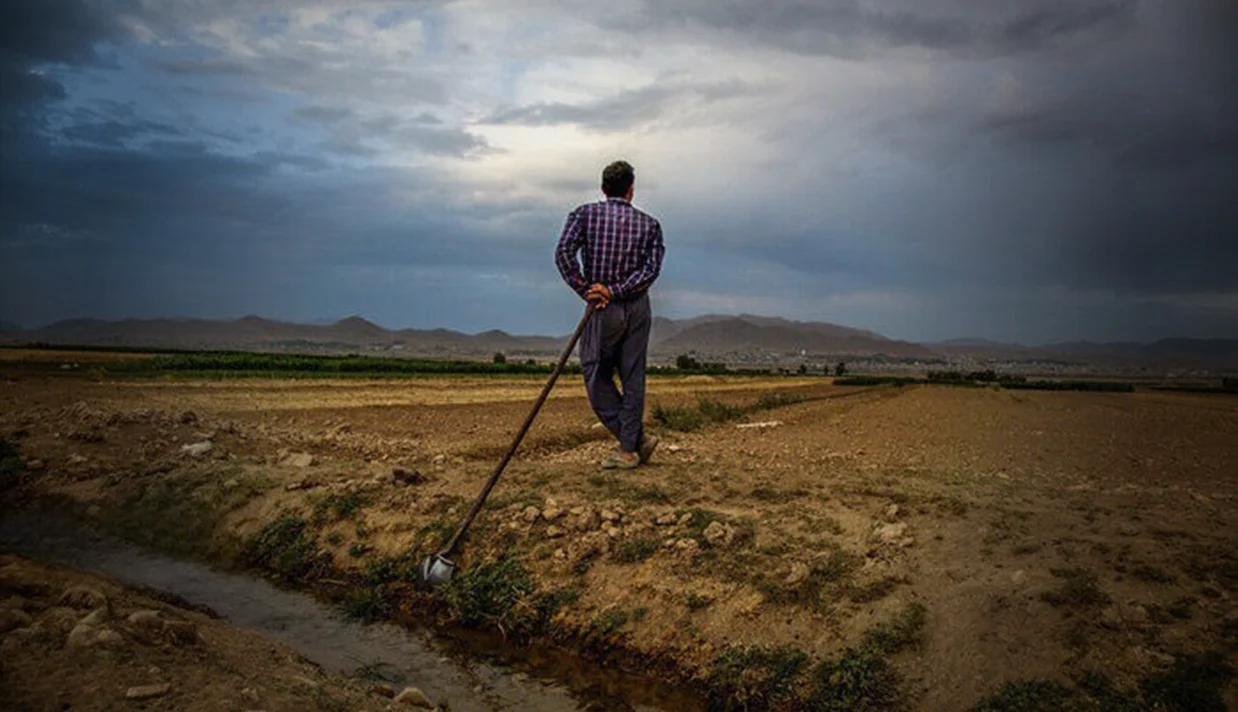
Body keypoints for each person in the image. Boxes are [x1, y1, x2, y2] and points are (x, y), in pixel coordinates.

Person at [554, 160, 666, 469]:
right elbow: (651, 270)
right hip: (638, 307)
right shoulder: (650, 225)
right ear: (631, 189)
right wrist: (616, 290)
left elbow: (563, 252)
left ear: (604, 189)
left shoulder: (584, 215)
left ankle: (631, 445)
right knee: (633, 376)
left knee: (593, 370)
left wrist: (590, 289)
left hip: (602, 309)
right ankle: (632, 445)